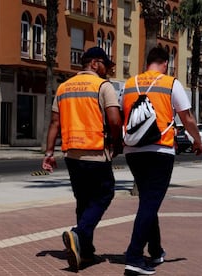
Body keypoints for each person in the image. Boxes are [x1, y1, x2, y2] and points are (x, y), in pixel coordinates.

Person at [121, 46, 202, 275]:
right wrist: (197, 140)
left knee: (149, 201)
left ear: (147, 62)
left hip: (133, 151)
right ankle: (134, 257)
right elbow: (187, 118)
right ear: (165, 63)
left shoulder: (128, 85)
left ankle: (156, 251)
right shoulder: (170, 83)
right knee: (149, 203)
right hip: (160, 150)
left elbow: (121, 115)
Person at [42, 47, 123, 271]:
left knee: (83, 201)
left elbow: (54, 123)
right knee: (105, 194)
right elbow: (115, 121)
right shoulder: (103, 86)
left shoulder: (63, 87)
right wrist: (117, 142)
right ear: (95, 63)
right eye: (105, 64)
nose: (107, 70)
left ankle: (85, 252)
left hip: (71, 154)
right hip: (95, 152)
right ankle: (78, 233)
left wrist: (49, 154)